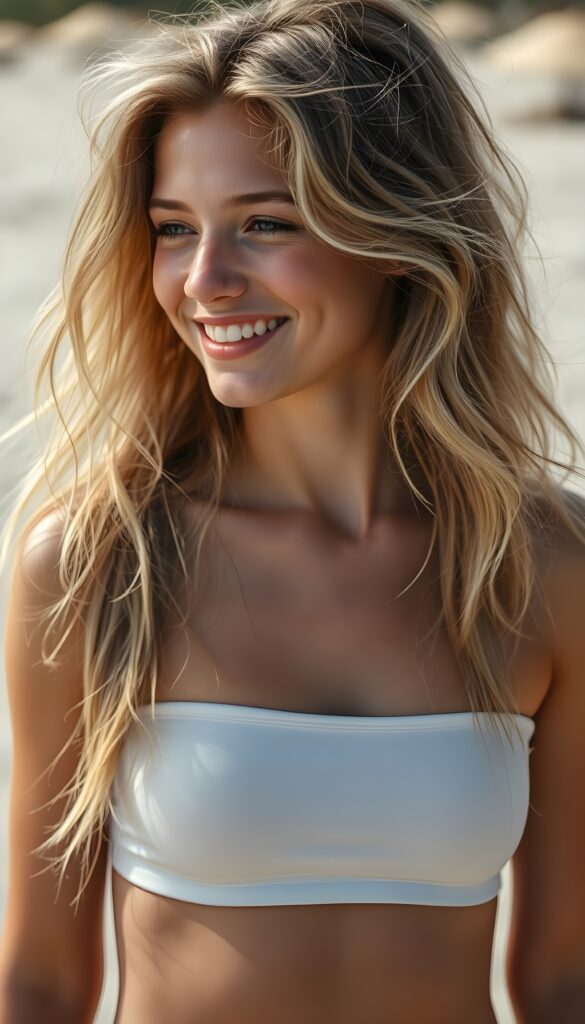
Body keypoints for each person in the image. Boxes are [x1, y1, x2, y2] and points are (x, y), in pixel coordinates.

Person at [1, 0, 584, 1021]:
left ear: (399, 234)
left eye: (266, 223)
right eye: (174, 230)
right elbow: (41, 982)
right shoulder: (98, 564)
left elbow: (564, 980)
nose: (205, 281)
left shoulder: (543, 568)